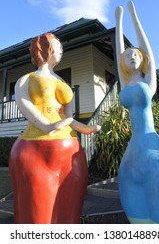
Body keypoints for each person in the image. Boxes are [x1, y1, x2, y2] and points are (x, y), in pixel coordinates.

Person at [9, 32, 100, 224]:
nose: (61, 51)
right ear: (45, 47)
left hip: (71, 152)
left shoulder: (62, 82)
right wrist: (51, 125)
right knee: (37, 217)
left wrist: (85, 128)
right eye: (59, 46)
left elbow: (68, 118)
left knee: (70, 215)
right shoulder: (26, 80)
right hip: (35, 151)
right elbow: (42, 123)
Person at [115, 1, 159, 224]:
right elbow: (119, 51)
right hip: (133, 159)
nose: (131, 56)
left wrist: (132, 16)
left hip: (155, 155)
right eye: (128, 55)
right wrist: (118, 22)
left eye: (136, 56)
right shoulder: (126, 84)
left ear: (142, 61)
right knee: (138, 221)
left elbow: (146, 49)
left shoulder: (148, 83)